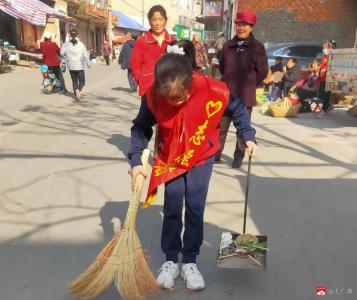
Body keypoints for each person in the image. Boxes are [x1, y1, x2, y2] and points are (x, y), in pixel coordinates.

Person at [129, 53, 257, 291]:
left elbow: (239, 109)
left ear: (192, 81)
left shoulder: (212, 89)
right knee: (172, 209)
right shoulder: (153, 97)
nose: (176, 101)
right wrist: (136, 159)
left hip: (201, 156)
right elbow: (141, 127)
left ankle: (190, 262)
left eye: (181, 96)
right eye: (170, 97)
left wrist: (247, 135)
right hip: (172, 159)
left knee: (195, 209)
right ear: (159, 88)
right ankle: (170, 261)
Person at [216, 10, 268, 168]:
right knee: (220, 127)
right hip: (226, 95)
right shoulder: (227, 46)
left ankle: (238, 158)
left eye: (245, 25)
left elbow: (263, 71)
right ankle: (215, 154)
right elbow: (222, 66)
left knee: (242, 131)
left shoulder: (257, 47)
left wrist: (251, 83)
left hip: (245, 97)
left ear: (251, 27)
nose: (241, 28)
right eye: (238, 24)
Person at [130, 5, 176, 97]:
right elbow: (135, 65)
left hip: (169, 89)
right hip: (148, 89)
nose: (157, 23)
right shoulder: (141, 42)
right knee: (144, 112)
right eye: (154, 20)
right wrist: (142, 81)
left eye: (160, 19)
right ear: (150, 22)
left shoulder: (172, 41)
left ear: (165, 21)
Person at [60, 29, 91, 101]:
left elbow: (61, 53)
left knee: (74, 81)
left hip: (71, 66)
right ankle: (78, 91)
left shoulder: (66, 44)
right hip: (79, 65)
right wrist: (88, 64)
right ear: (77, 35)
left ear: (70, 35)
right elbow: (86, 55)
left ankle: (76, 91)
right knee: (82, 81)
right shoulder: (81, 44)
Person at [317, 41, 333, 118]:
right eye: (323, 48)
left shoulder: (332, 56)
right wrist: (318, 70)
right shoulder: (325, 56)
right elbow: (322, 65)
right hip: (322, 78)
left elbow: (331, 66)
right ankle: (328, 106)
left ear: (329, 48)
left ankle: (323, 110)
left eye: (325, 48)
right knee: (322, 94)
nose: (324, 49)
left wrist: (326, 70)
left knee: (325, 94)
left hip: (328, 78)